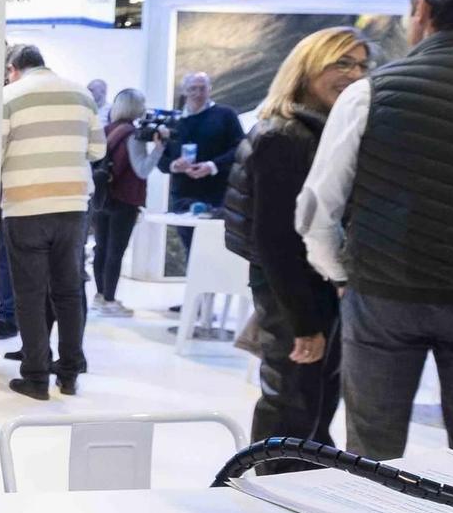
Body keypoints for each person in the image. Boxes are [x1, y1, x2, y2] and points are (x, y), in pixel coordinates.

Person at [298, 0, 453, 461]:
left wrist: (340, 271)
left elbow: (319, 205)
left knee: (373, 446)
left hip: (384, 295)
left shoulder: (371, 92)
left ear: (422, 10)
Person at [222, 28, 368, 467]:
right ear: (308, 68)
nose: (354, 73)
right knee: (293, 405)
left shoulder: (317, 131)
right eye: (341, 62)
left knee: (312, 404)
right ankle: (271, 494)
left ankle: (298, 490)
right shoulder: (286, 136)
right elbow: (275, 240)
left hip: (312, 287)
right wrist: (304, 323)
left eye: (361, 65)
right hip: (296, 291)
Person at [0, 44, 103, 401]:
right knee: (69, 291)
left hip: (25, 207)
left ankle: (36, 377)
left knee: (29, 295)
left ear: (14, 68)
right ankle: (70, 373)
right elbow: (97, 151)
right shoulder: (82, 94)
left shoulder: (10, 96)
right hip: (73, 207)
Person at [91, 88, 160, 316]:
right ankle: (110, 300)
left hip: (102, 198)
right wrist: (160, 148)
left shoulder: (106, 130)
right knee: (115, 252)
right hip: (125, 200)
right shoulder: (133, 134)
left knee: (101, 248)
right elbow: (142, 169)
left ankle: (100, 296)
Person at [157, 71, 244, 218]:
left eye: (202, 88)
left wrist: (212, 166)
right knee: (188, 240)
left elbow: (240, 149)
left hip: (218, 196)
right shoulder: (172, 122)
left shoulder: (226, 115)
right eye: (192, 89)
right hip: (183, 199)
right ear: (184, 91)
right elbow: (159, 159)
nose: (198, 93)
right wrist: (174, 166)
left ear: (210, 89)